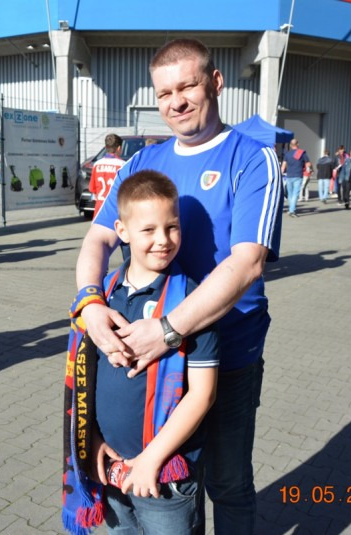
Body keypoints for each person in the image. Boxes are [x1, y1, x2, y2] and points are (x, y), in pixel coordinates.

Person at [75, 38, 282, 534]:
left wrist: (167, 330)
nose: (176, 102)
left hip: (225, 358)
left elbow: (247, 264)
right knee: (162, 483)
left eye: (187, 87)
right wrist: (89, 302)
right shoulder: (141, 163)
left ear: (215, 83)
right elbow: (99, 237)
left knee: (227, 484)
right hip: (148, 361)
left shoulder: (252, 158)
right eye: (164, 93)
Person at [65, 170, 220, 534]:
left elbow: (203, 394)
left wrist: (151, 460)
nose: (163, 240)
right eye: (148, 229)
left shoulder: (193, 303)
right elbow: (87, 382)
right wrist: (93, 440)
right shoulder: (102, 297)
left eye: (172, 227)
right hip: (111, 467)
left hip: (164, 475)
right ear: (122, 231)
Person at [89, 133, 125, 219]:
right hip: (115, 211)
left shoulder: (97, 164)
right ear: (119, 148)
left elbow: (92, 189)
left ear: (106, 147)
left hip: (99, 211)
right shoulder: (122, 165)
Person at [282, 138, 311, 217]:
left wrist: (281, 173)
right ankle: (292, 210)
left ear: (290, 145)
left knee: (290, 194)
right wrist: (308, 170)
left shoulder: (287, 154)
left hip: (289, 176)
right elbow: (308, 163)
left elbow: (283, 165)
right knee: (295, 194)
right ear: (297, 144)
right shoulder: (302, 153)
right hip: (298, 175)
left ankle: (291, 209)